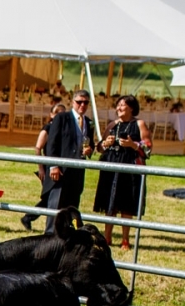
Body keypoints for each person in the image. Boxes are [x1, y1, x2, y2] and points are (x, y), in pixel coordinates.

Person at [92, 95, 151, 250]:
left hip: (129, 168)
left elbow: (148, 148)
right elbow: (99, 148)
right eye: (117, 105)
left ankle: (125, 239)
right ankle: (107, 237)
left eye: (122, 105)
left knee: (127, 203)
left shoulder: (139, 124)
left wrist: (133, 145)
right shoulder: (112, 125)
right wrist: (106, 143)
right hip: (111, 166)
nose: (118, 108)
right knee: (109, 202)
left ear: (131, 108)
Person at [41, 88, 95, 234]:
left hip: (77, 171)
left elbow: (91, 144)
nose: (82, 105)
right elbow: (52, 143)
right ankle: (50, 236)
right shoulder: (61, 118)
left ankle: (67, 235)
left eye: (85, 103)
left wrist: (90, 150)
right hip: (61, 170)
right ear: (72, 102)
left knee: (72, 205)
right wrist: (53, 165)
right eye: (79, 102)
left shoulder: (89, 122)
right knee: (56, 205)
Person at [20, 102, 67, 231]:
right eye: (57, 112)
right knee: (50, 198)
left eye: (63, 112)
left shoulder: (65, 128)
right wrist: (41, 168)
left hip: (60, 166)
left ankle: (28, 218)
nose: (60, 115)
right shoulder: (48, 128)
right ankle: (30, 218)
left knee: (50, 198)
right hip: (49, 166)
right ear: (51, 115)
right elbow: (38, 148)